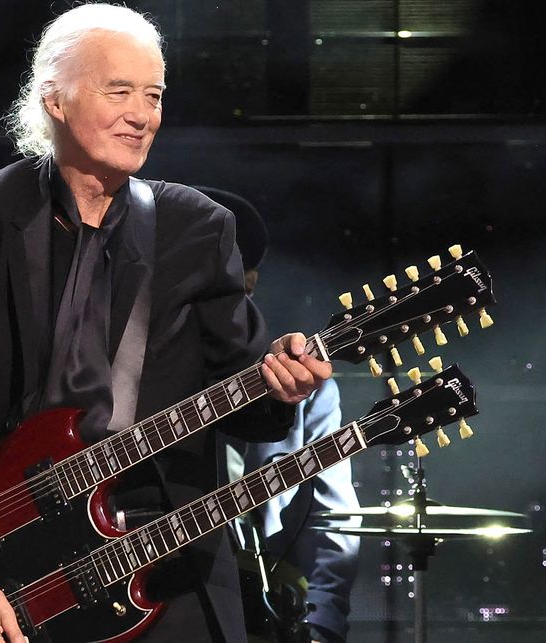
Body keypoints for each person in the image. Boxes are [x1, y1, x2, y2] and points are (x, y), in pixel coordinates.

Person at [0, 5, 332, 643]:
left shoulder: (197, 227)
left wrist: (282, 388)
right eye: (121, 91)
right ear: (54, 100)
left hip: (163, 563)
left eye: (155, 95)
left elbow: (249, 411)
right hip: (11, 572)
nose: (143, 115)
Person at [196, 187, 359, 643]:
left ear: (250, 283)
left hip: (261, 607)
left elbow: (331, 518)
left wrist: (322, 625)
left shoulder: (300, 376)